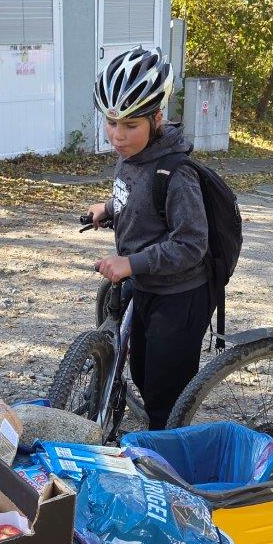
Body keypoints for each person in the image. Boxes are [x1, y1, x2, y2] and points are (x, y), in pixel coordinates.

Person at [85, 47, 211, 430]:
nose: (117, 136)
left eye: (130, 125)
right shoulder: (132, 155)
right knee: (141, 371)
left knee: (165, 397)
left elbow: (191, 244)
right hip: (145, 284)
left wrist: (130, 262)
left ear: (157, 118)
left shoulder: (177, 173)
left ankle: (167, 456)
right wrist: (109, 208)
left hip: (178, 297)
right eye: (111, 122)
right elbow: (136, 198)